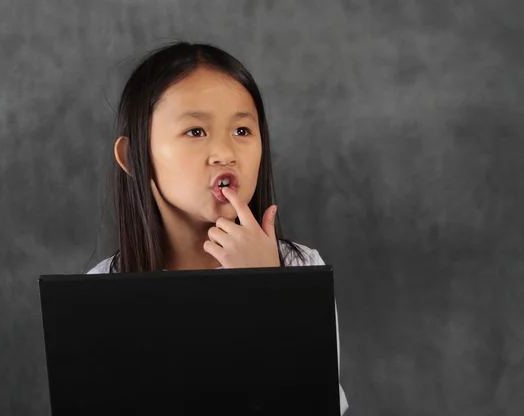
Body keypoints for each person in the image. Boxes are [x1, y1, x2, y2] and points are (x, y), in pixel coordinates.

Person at [86, 41, 349, 414]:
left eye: (243, 130)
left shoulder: (299, 268)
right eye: (196, 132)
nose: (225, 153)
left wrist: (267, 291)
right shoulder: (100, 292)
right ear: (134, 156)